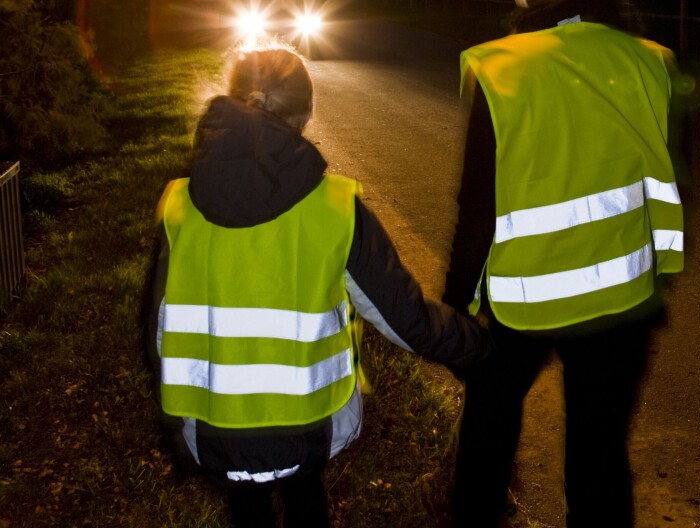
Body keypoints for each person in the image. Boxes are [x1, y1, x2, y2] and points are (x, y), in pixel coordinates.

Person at [144, 47, 492, 528]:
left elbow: (157, 330)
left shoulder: (178, 206)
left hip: (211, 431)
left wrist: (173, 428)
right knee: (306, 501)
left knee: (246, 508)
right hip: (309, 429)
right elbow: (406, 319)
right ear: (307, 114)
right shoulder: (335, 208)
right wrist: (480, 343)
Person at [443, 0, 687, 528]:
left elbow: (478, 212)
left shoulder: (502, 68)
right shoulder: (650, 61)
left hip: (523, 304)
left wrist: (454, 311)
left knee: (488, 444)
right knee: (599, 459)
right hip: (623, 304)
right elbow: (665, 183)